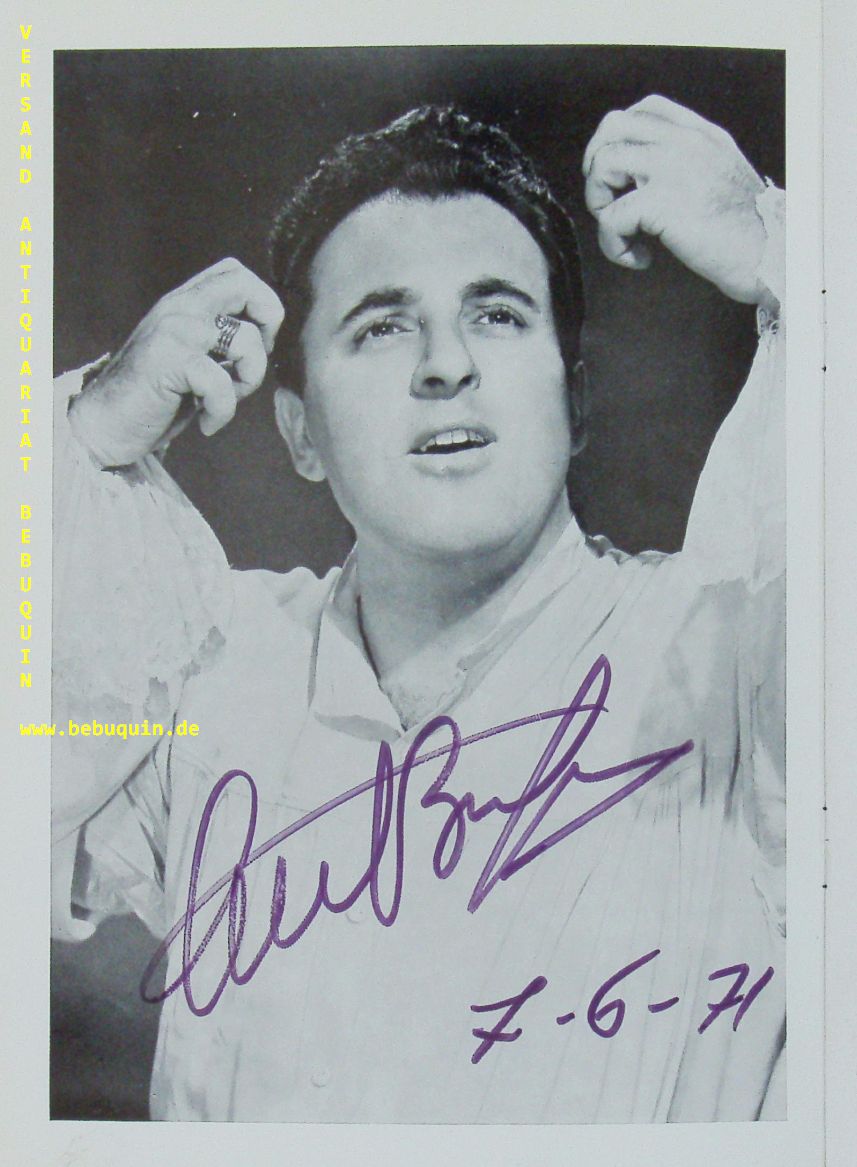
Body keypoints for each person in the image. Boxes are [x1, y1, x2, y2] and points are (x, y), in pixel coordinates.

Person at [51, 96, 785, 1123]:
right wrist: (86, 435)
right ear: (299, 434)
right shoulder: (210, 673)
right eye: (383, 326)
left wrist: (793, 262)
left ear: (574, 402)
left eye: (497, 315)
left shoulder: (732, 662)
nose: (447, 365)